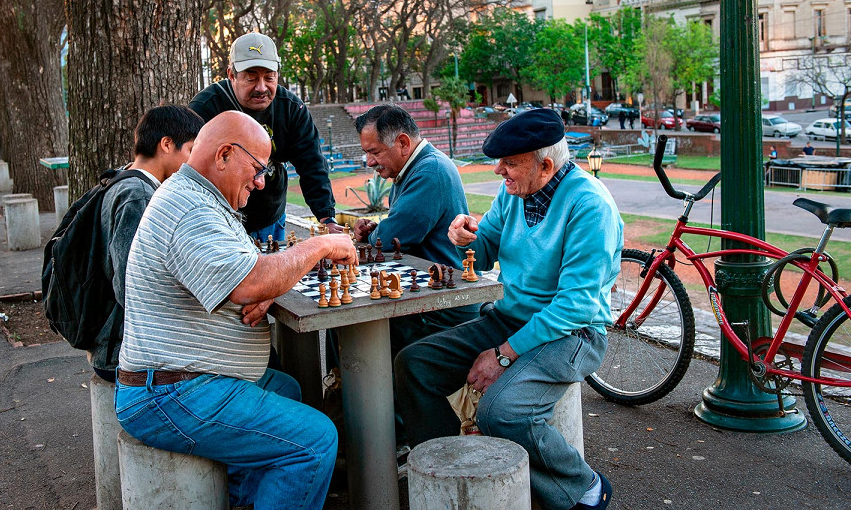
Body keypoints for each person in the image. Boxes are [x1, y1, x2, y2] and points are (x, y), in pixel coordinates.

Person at [116, 111, 358, 510]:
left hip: (183, 380)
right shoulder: (190, 209)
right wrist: (318, 246)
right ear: (225, 154)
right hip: (170, 392)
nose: (262, 182)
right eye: (258, 169)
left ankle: (250, 498)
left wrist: (262, 289)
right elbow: (246, 282)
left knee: (287, 389)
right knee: (315, 441)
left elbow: (243, 278)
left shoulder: (197, 197)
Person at [394, 109, 623, 510]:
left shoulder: (590, 206)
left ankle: (583, 487)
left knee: (503, 411)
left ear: (546, 165)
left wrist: (503, 355)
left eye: (510, 163)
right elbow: (483, 255)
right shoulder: (514, 191)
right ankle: (463, 466)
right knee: (415, 364)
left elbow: (574, 306)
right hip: (511, 317)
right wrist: (464, 238)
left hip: (574, 332)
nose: (498, 170)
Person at [350, 104, 479, 355]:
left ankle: (358, 392)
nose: (369, 161)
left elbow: (388, 239)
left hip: (443, 308)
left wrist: (375, 234)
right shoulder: (413, 167)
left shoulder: (430, 171)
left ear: (402, 143)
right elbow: (397, 230)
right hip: (427, 293)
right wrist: (375, 230)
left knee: (352, 325)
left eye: (374, 152)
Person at [189, 32, 340, 241]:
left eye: (269, 77)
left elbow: (312, 164)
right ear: (231, 74)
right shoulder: (205, 108)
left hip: (270, 217)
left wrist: (327, 218)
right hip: (217, 222)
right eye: (251, 77)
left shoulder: (292, 109)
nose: (261, 88)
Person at [92, 104, 204, 382]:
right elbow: (131, 290)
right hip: (123, 351)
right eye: (190, 150)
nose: (193, 163)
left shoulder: (124, 178)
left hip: (121, 340)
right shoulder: (138, 196)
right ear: (167, 144)